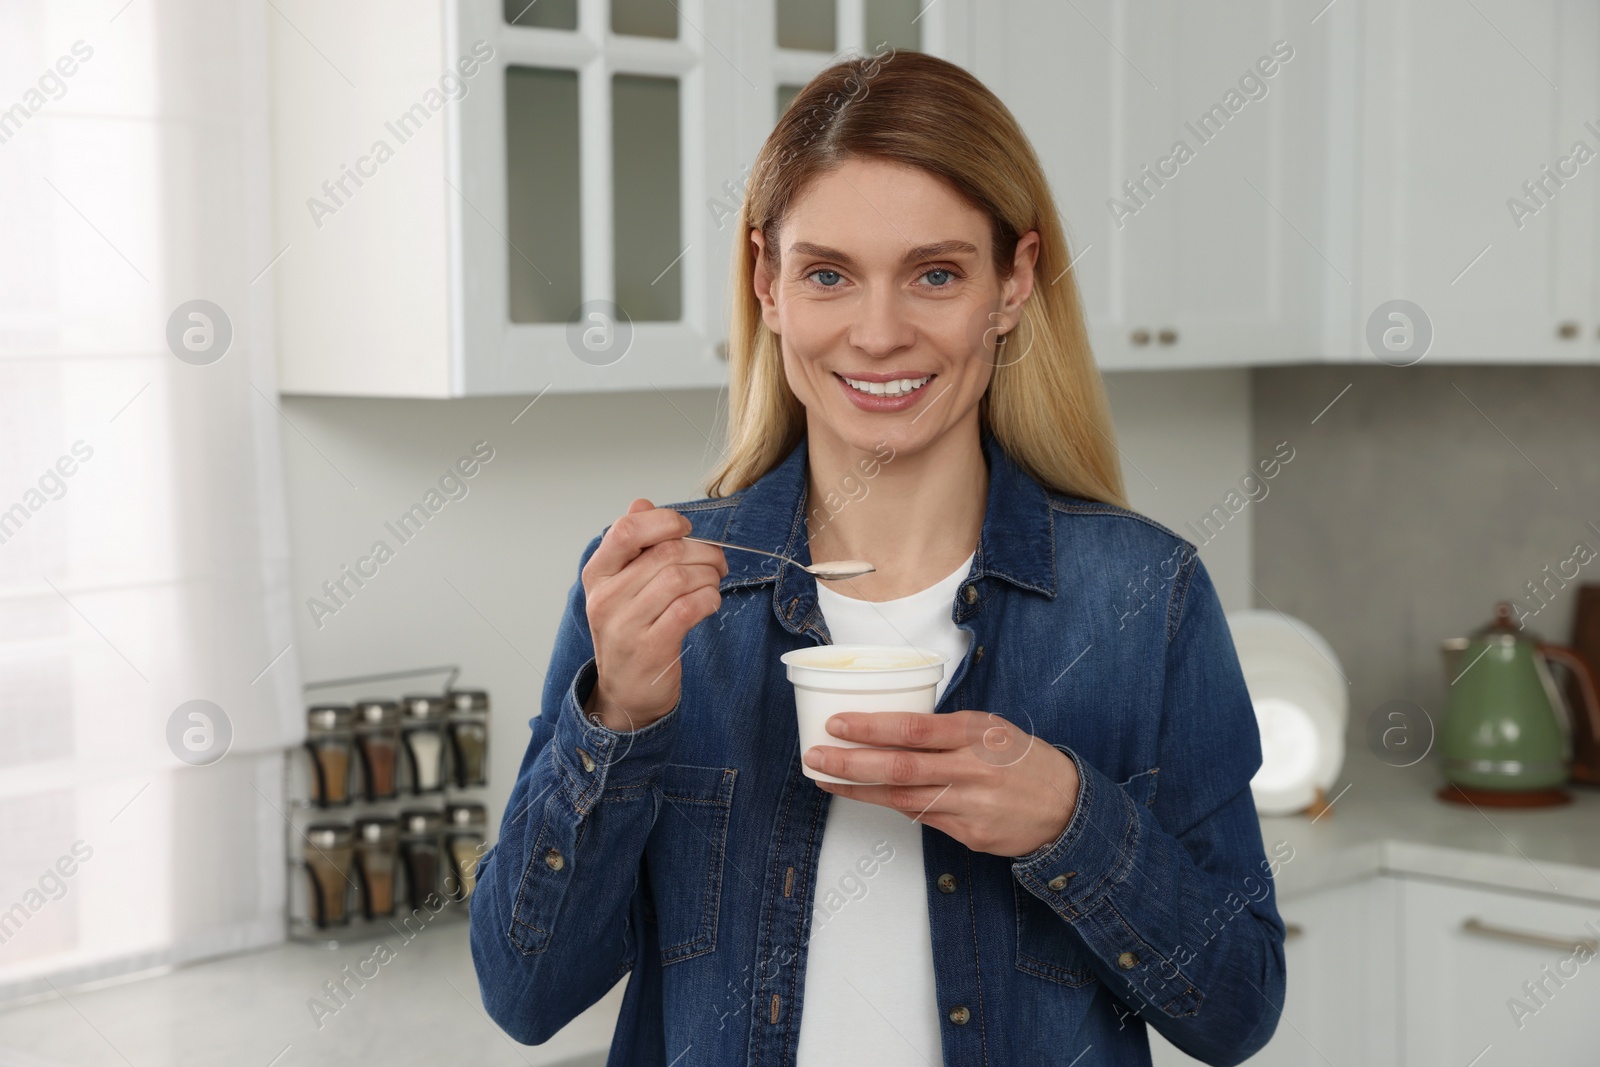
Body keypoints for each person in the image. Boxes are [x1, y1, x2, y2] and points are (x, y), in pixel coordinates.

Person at [472, 49, 1286, 1067]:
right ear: (767, 282)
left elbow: (1237, 1007)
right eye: (827, 274)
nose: (878, 331)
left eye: (935, 273)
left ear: (1013, 281)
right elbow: (524, 992)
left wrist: (1068, 821)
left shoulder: (1141, 597)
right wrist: (617, 719)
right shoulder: (660, 591)